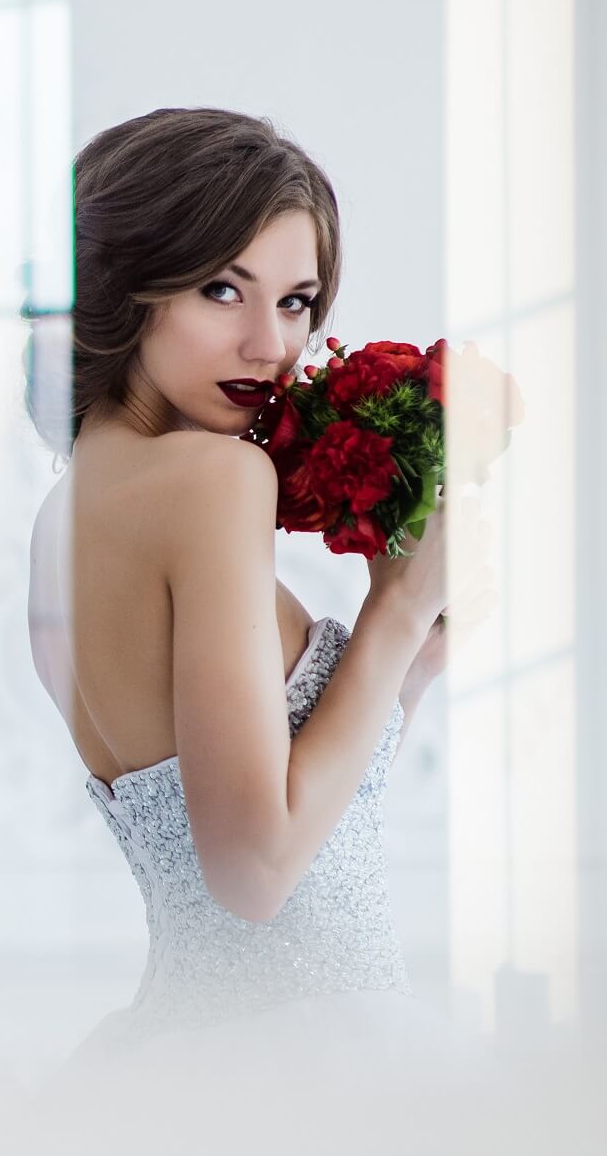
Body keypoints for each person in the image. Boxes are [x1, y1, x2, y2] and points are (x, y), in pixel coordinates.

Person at [24, 108, 498, 1096]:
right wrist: (396, 614)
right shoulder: (213, 480)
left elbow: (276, 816)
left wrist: (403, 661)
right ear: (121, 286)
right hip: (312, 1065)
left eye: (296, 300)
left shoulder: (64, 513)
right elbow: (254, 870)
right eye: (220, 288)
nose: (268, 342)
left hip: (180, 1050)